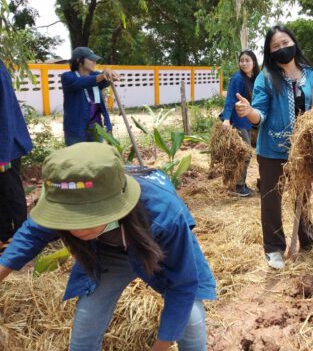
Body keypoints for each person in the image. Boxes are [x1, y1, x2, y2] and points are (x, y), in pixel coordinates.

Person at [0, 143, 216, 351]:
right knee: (87, 321)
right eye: (68, 219)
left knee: (190, 320)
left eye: (88, 217)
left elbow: (182, 284)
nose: (77, 229)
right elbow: (31, 234)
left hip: (156, 248)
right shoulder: (64, 195)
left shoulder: (164, 215)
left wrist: (160, 346)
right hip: (107, 252)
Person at [234, 25, 313, 270]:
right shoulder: (266, 77)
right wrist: (248, 111)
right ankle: (273, 248)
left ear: (294, 43)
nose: (282, 48)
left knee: (303, 195)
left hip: (303, 150)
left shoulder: (310, 75)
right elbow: (259, 114)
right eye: (275, 46)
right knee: (272, 198)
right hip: (273, 150)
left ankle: (307, 240)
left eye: (285, 43)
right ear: (269, 51)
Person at [0, 59, 33, 256]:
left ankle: (23, 238)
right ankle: (4, 235)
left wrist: (3, 155)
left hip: (7, 147)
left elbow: (5, 116)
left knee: (12, 193)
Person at [220, 50, 260, 197]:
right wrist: (226, 119)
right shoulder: (237, 79)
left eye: (247, 60)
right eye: (241, 60)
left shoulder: (254, 79)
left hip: (248, 120)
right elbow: (230, 99)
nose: (243, 63)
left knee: (244, 153)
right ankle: (238, 186)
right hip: (238, 121)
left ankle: (238, 183)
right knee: (245, 154)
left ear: (253, 62)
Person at [61, 47, 119, 146]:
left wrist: (109, 72)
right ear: (79, 61)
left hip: (96, 129)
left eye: (95, 60)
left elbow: (104, 80)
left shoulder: (95, 75)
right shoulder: (67, 77)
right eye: (91, 59)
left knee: (96, 155)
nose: (94, 62)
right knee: (78, 156)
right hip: (76, 132)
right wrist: (102, 76)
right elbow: (83, 82)